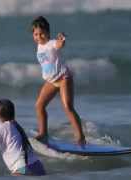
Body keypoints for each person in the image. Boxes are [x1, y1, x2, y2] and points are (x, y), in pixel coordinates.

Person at [31, 16, 86, 145]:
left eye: (42, 33)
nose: (39, 37)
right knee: (39, 106)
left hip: (63, 79)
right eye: (36, 34)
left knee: (68, 107)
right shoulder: (39, 46)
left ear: (48, 33)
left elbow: (59, 45)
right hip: (51, 81)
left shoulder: (51, 44)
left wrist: (61, 40)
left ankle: (80, 138)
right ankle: (43, 133)